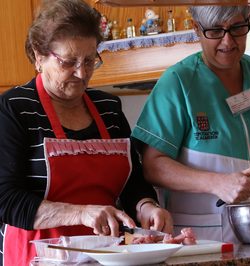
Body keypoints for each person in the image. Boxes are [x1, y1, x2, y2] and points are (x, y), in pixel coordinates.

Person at [0, 0, 173, 265]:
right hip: (39, 257)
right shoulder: (14, 109)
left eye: (90, 61)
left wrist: (146, 206)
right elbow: (5, 199)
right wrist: (81, 214)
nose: (82, 74)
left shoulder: (109, 108)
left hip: (109, 256)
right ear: (39, 55)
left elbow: (133, 181)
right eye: (69, 62)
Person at [131, 4, 250, 243]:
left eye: (237, 28)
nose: (228, 41)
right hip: (204, 238)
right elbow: (153, 165)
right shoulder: (178, 82)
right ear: (196, 29)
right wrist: (216, 182)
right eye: (215, 31)